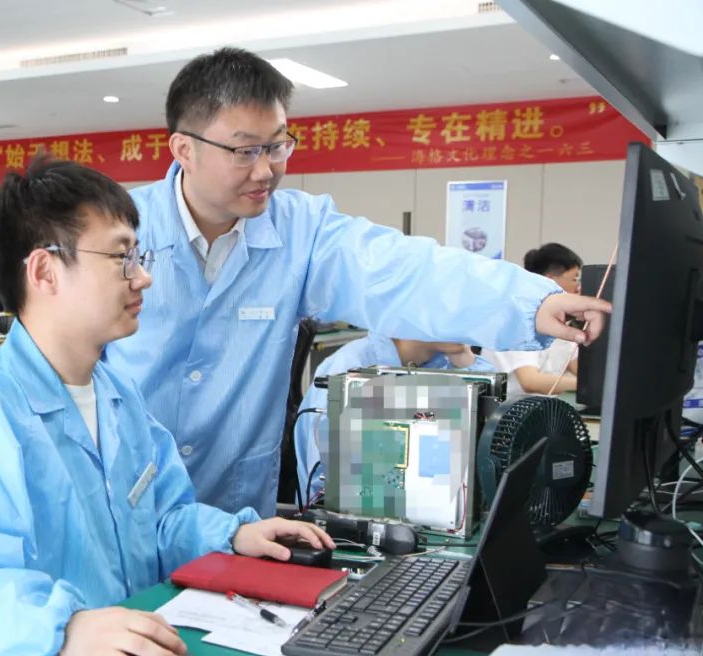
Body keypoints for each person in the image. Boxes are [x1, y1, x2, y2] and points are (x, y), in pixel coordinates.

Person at [106, 47, 611, 518]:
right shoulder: (116, 231)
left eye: (278, 146)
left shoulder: (301, 231)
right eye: (244, 151)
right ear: (184, 149)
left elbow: (402, 270)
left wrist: (532, 303)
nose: (266, 170)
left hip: (238, 516)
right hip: (125, 510)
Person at [0, 157, 333, 656]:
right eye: (121, 257)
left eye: (138, 255)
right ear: (44, 272)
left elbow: (161, 521)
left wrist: (234, 533)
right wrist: (66, 630)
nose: (143, 276)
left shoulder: (117, 396)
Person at [294, 337, 495, 501]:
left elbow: (490, 414)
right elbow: (326, 476)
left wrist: (464, 357)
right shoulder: (352, 365)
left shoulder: (444, 363)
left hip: (426, 507)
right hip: (352, 516)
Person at [483, 243, 584, 395]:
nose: (579, 288)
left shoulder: (562, 324)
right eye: (575, 279)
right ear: (550, 281)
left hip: (542, 406)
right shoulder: (517, 321)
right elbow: (530, 382)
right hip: (508, 408)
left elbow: (581, 370)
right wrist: (584, 384)